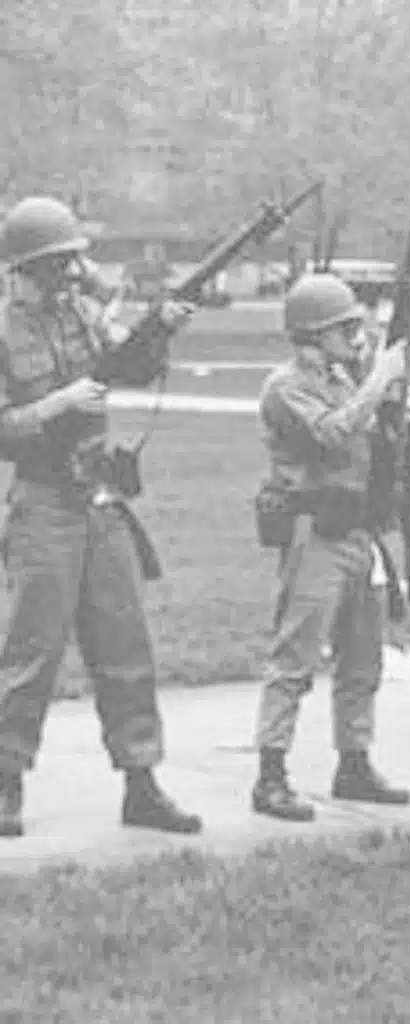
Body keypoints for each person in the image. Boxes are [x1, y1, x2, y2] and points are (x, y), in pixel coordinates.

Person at [0, 196, 202, 838]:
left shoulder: (85, 317)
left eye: (70, 262)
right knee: (32, 651)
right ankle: (5, 781)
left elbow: (131, 366)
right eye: (55, 264)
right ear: (25, 268)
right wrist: (56, 404)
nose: (68, 274)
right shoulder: (3, 332)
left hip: (100, 499)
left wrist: (160, 327)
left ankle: (141, 782)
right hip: (43, 505)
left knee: (125, 645)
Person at [250, 273, 410, 823]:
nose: (356, 337)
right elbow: (332, 431)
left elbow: (372, 428)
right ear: (314, 335)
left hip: (358, 529)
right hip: (315, 530)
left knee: (363, 654)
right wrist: (380, 379)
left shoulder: (345, 376)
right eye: (346, 329)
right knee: (295, 655)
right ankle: (271, 774)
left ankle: (354, 760)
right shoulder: (285, 386)